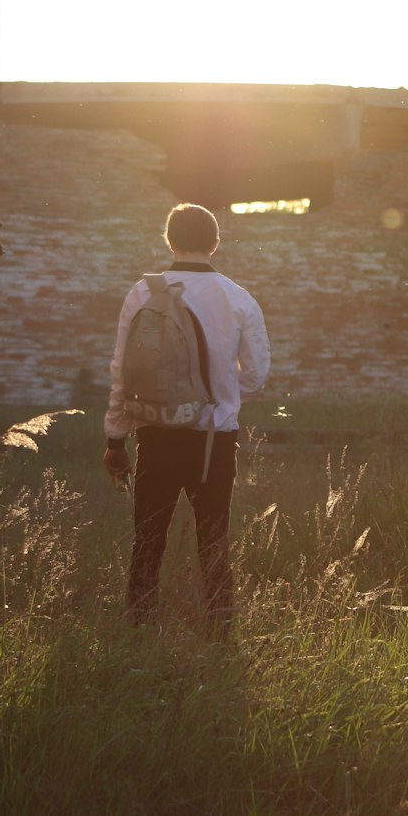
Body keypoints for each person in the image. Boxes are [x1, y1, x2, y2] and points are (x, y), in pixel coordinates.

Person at [103, 203, 270, 631]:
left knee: (148, 539)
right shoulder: (239, 298)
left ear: (169, 240)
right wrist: (222, 398)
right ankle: (221, 633)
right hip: (215, 438)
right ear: (215, 243)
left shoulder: (143, 292)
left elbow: (123, 372)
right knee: (213, 539)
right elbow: (255, 377)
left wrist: (115, 440)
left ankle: (139, 628)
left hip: (155, 432)